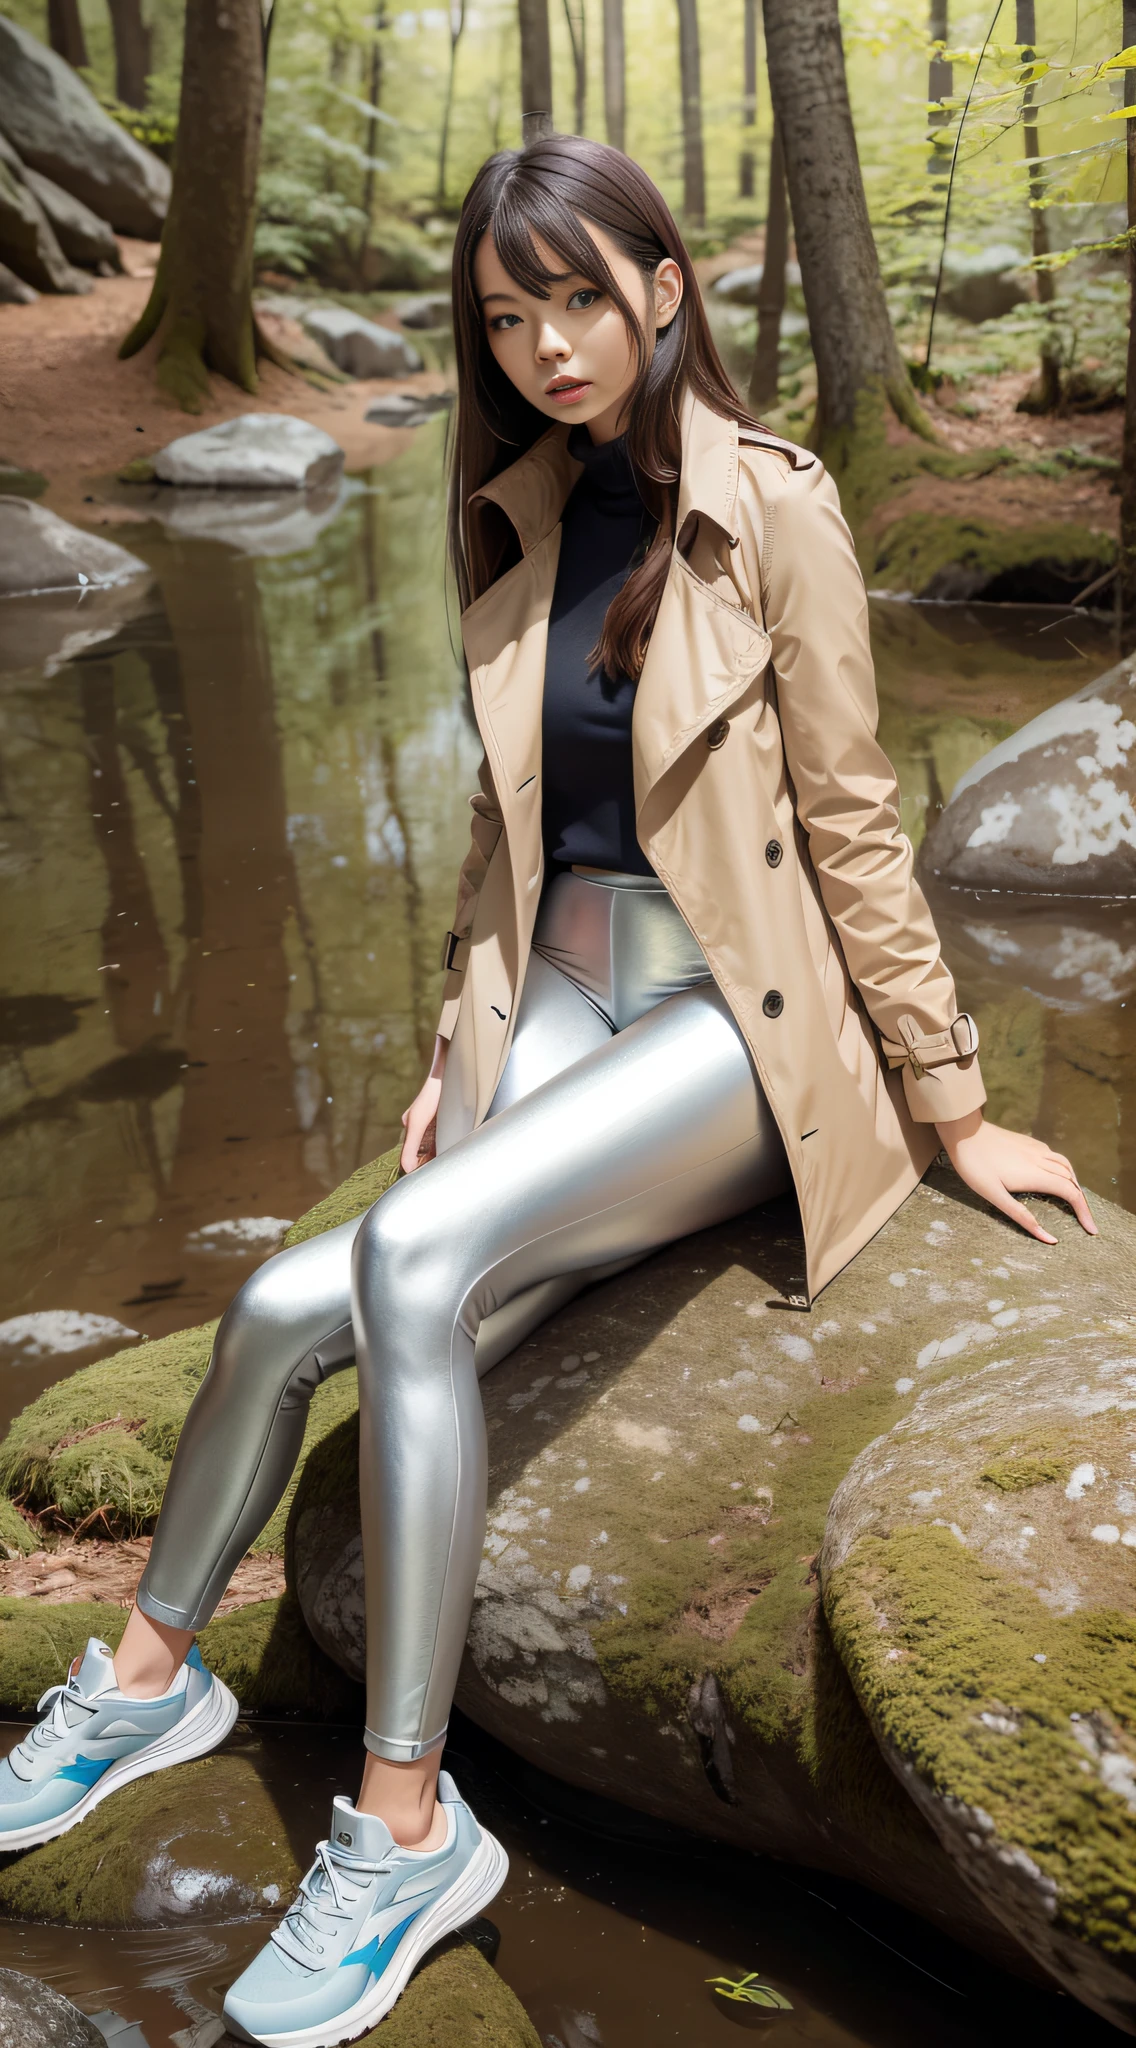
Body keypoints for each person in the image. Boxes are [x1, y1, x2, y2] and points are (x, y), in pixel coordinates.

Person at [0, 136, 1095, 2047]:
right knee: (274, 1305)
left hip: (738, 1024)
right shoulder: (514, 511)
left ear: (666, 288)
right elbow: (508, 848)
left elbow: (853, 821)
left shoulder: (775, 507)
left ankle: (409, 1827)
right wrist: (454, 1056)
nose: (549, 348)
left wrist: (951, 1104)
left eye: (581, 298)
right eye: (509, 320)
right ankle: (150, 1679)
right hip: (570, 995)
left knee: (407, 1271)